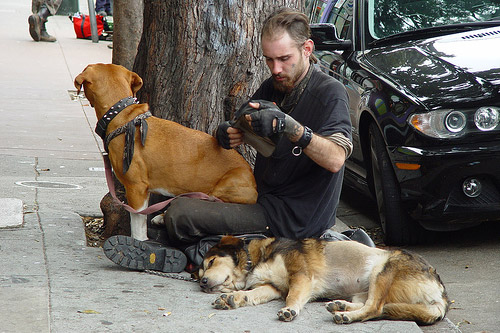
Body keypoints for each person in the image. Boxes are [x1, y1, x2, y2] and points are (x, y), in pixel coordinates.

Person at [103, 8, 374, 273]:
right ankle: (199, 251)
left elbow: (337, 158)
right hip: (261, 201)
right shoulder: (274, 85)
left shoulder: (330, 92)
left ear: (307, 49)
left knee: (180, 215)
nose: (276, 68)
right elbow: (242, 122)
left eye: (284, 58)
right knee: (165, 214)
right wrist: (230, 132)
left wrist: (292, 129)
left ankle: (193, 257)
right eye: (269, 60)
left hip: (295, 218)